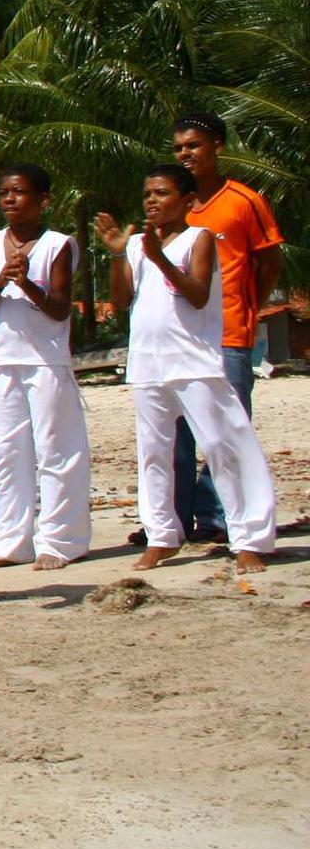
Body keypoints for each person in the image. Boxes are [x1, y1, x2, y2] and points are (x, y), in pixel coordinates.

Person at [98, 166, 278, 574]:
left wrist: (158, 258)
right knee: (154, 454)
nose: (152, 201)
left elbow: (197, 295)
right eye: (148, 193)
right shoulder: (137, 245)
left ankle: (246, 539)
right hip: (148, 362)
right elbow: (121, 300)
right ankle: (161, 536)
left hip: (193, 360)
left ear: (189, 201)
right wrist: (116, 253)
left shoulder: (199, 239)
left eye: (162, 193)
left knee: (221, 447)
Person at [135, 113, 287, 547]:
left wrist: (248, 307)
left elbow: (269, 260)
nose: (185, 154)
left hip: (227, 334)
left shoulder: (242, 201)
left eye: (194, 146)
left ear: (216, 147)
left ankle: (219, 517)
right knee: (173, 437)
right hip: (173, 341)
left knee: (223, 431)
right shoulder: (168, 206)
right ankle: (171, 522)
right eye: (179, 147)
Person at [0, 162, 91, 571]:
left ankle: (61, 540)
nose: (9, 200)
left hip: (46, 360)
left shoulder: (58, 244)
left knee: (57, 450)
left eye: (19, 192)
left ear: (42, 200)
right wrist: (2, 280)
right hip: (3, 358)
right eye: (4, 192)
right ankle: (9, 542)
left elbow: (58, 309)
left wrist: (27, 285)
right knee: (5, 452)